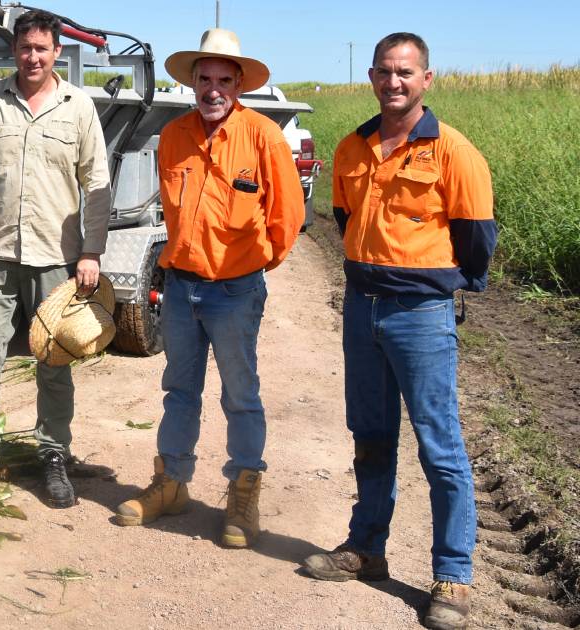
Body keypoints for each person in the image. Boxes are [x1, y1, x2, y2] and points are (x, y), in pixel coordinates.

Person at [301, 33, 495, 630]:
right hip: (362, 310)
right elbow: (342, 219)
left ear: (427, 79)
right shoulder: (353, 148)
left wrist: (431, 286)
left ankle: (453, 577)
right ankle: (367, 549)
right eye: (385, 71)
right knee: (371, 434)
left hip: (421, 318)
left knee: (440, 447)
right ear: (371, 76)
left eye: (406, 72)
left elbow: (476, 240)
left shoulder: (454, 152)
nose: (394, 82)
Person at [113, 29, 304, 549]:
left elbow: (288, 216)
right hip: (181, 287)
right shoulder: (173, 136)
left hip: (235, 291)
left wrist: (253, 264)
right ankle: (171, 484)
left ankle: (243, 495)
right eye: (205, 78)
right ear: (193, 81)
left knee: (241, 396)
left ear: (238, 84)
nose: (213, 89)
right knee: (179, 391)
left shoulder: (262, 136)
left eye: (224, 79)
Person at [0, 9, 111, 508]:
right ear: (13, 51)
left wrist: (91, 251)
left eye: (42, 48)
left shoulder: (77, 106)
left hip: (55, 260)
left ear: (57, 52)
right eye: (24, 48)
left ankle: (54, 457)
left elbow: (96, 185)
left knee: (54, 366)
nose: (32, 56)